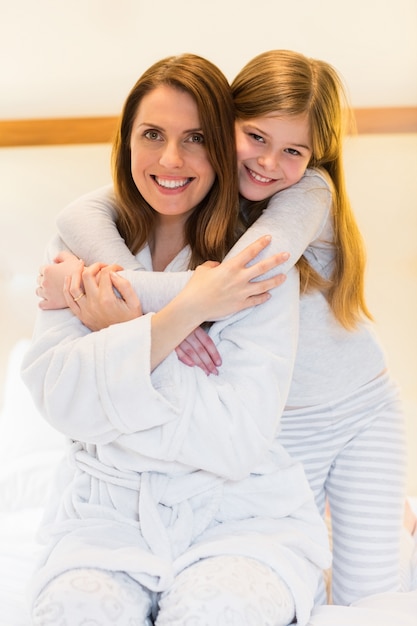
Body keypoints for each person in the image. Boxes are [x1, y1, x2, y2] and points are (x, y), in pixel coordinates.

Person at [38, 49, 408, 607]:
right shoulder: (189, 186)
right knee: (310, 583)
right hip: (282, 430)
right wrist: (147, 309)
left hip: (357, 408)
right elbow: (77, 218)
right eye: (254, 137)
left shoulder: (306, 195)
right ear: (223, 126)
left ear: (312, 157)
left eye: (294, 150)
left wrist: (114, 295)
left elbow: (239, 279)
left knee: (370, 598)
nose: (268, 162)